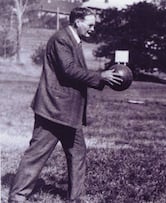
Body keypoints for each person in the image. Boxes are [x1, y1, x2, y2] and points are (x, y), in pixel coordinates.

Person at [8, 7, 122, 203]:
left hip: (68, 112)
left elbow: (73, 70)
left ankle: (76, 198)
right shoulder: (62, 38)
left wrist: (102, 77)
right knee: (37, 154)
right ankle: (17, 197)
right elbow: (68, 70)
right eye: (90, 24)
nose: (92, 29)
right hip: (54, 110)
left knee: (78, 153)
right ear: (77, 22)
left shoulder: (73, 41)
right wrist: (99, 77)